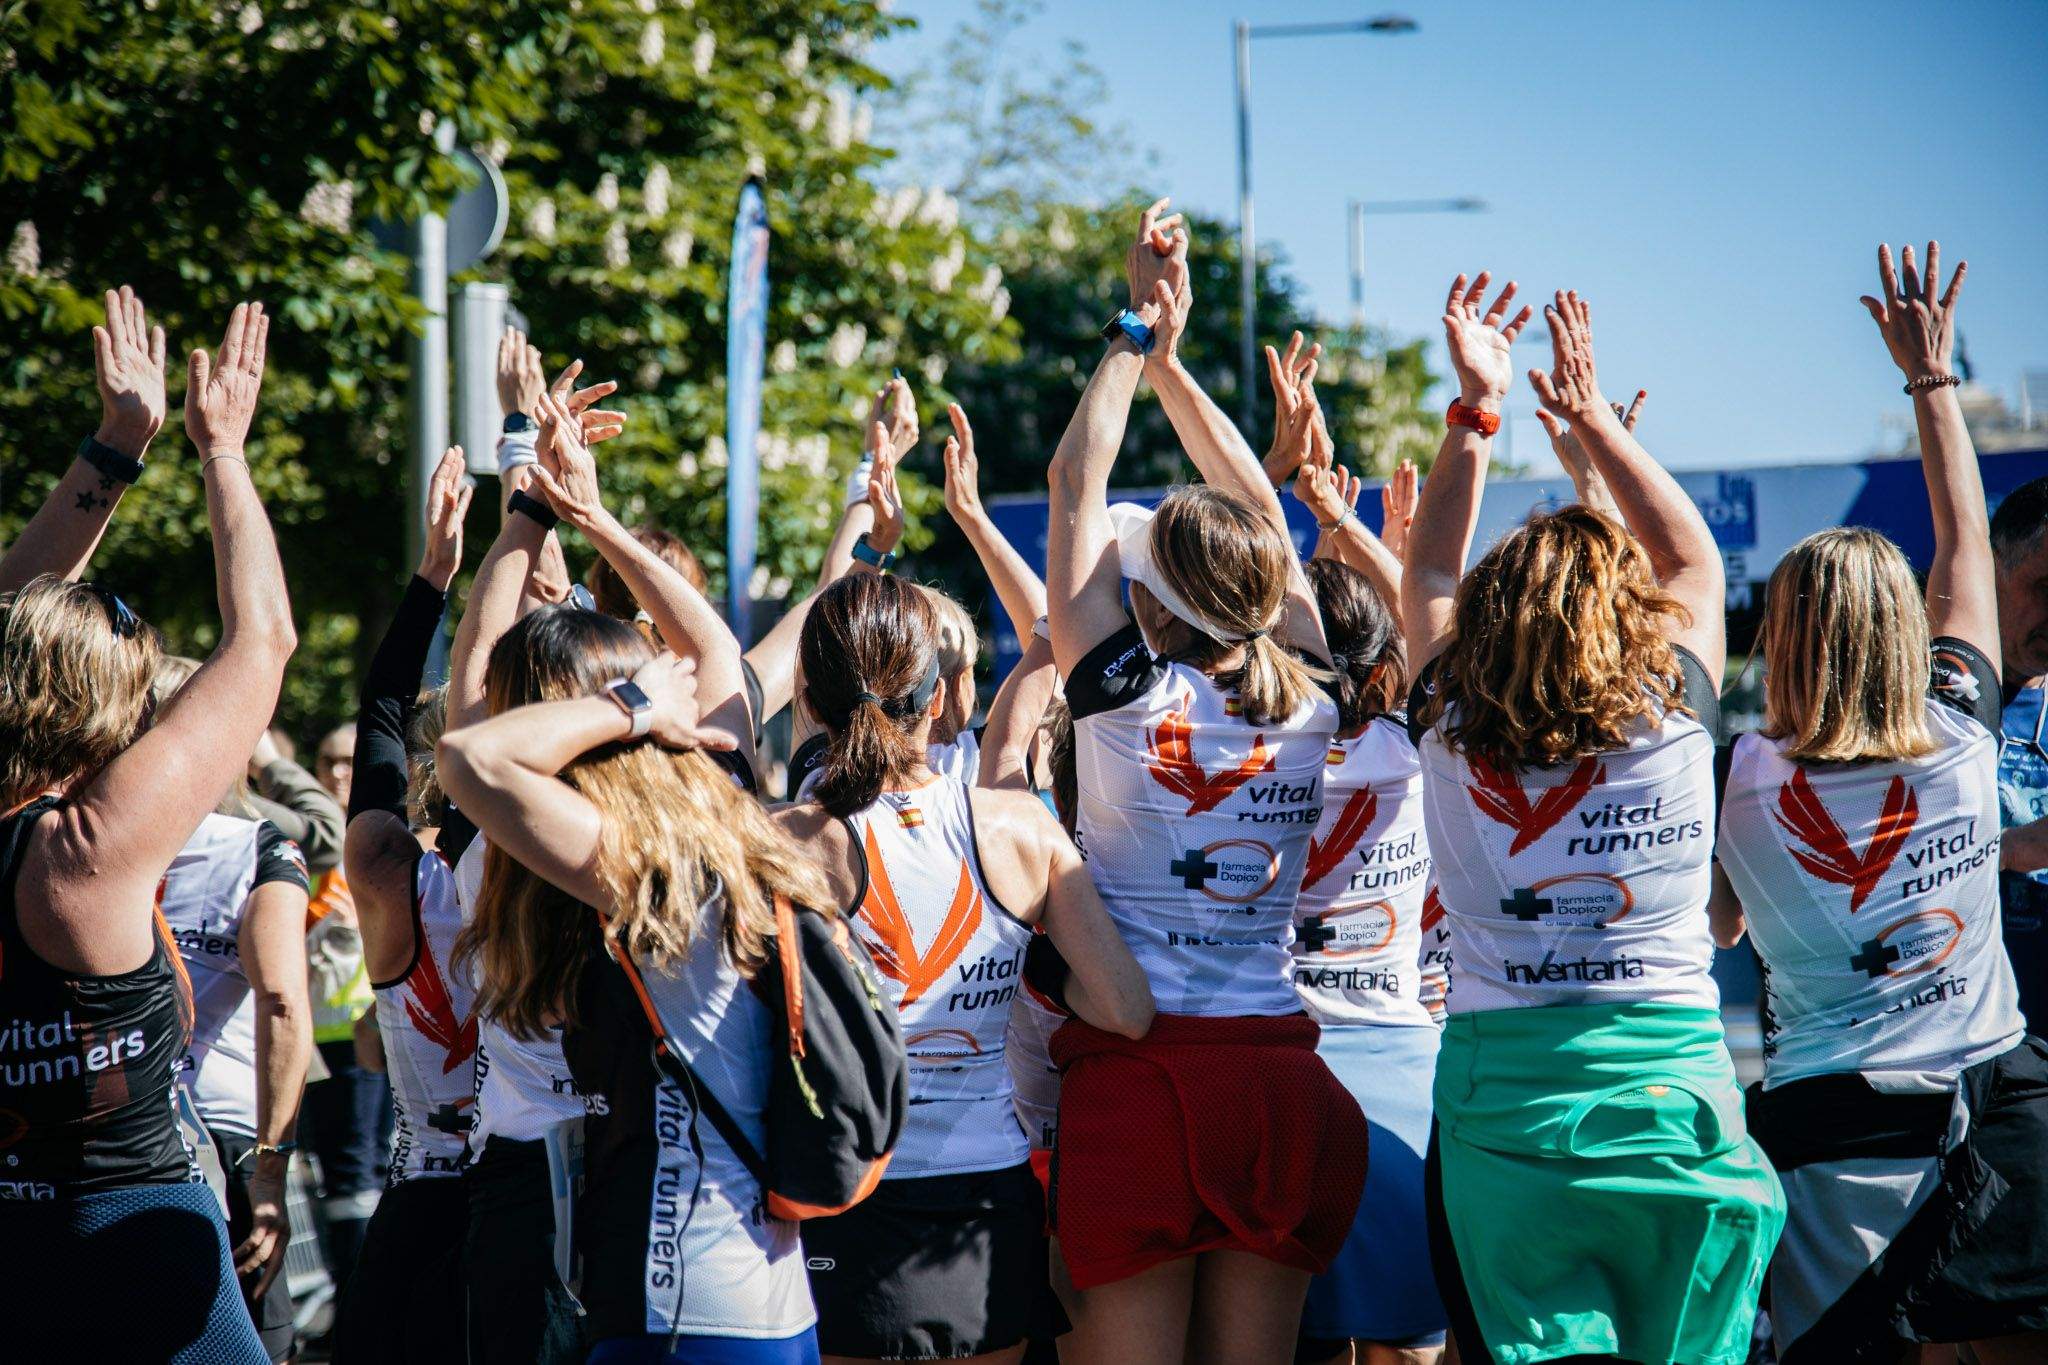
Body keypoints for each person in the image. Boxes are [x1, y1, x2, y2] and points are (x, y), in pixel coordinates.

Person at [1402, 275, 1783, 1365]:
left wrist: (1477, 409)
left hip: (1500, 1124)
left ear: (1487, 616)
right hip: (1678, 1105)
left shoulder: (1446, 721)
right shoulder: (1674, 716)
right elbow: (1691, 560)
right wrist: (1594, 424)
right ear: (1632, 616)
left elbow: (1426, 564)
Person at [1042, 201, 1366, 1365]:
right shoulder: (1314, 695)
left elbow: (1073, 481)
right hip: (1279, 1079)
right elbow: (1264, 517)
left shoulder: (1118, 694)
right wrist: (1174, 367)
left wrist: (1135, 333)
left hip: (1141, 1076)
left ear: (1149, 600)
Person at [1715, 243, 2048, 1365]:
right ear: (1905, 630)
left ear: (1777, 638)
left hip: (1827, 1123)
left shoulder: (1734, 779)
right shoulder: (1960, 733)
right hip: (1992, 1098)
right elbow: (1966, 541)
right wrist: (1930, 378)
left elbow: (1716, 926)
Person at [441, 394, 825, 1360]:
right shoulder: (725, 825)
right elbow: (719, 654)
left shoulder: (574, 855)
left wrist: (536, 510)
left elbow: (469, 737)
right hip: (764, 1280)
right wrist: (594, 519)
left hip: (648, 1271)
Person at [0, 294, 294, 1363]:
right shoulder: (86, 851)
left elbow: (8, 618)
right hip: (134, 1236)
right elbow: (262, 641)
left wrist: (116, 448)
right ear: (111, 712)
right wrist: (223, 452)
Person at [773, 573, 1152, 1363]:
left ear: (808, 702)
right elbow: (1126, 1007)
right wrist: (1023, 967)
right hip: (986, 1195)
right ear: (940, 696)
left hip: (846, 1186)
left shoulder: (783, 841)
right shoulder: (1020, 828)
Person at [1286, 436, 1448, 1363]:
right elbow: (1436, 641)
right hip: (1402, 1066)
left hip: (1284, 1068)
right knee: (1408, 1344)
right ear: (1386, 669)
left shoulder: (1253, 754)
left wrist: (1328, 541)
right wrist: (1349, 530)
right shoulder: (1420, 751)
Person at [331, 446, 479, 1363]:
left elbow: (382, 708)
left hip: (423, 1203)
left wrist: (433, 577)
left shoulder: (393, 876)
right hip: (535, 1198)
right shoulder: (560, 882)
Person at [155, 653, 316, 1364]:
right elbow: (281, 999)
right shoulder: (259, 847)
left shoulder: (75, 834)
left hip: (114, 1127)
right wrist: (272, 1169)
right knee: (253, 1341)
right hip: (224, 1134)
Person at [1986, 474, 2048, 1032]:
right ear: (1990, 572)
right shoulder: (1919, 706)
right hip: (1958, 1044)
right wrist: (2005, 851)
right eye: (2044, 587)